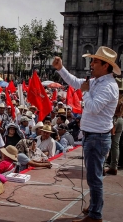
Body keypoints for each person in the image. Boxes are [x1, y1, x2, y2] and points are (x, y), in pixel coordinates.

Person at [52, 46, 120, 222]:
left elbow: (94, 107)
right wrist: (61, 69)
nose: (91, 64)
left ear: (106, 66)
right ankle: (94, 206)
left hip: (97, 137)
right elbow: (75, 82)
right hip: (93, 136)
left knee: (94, 178)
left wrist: (85, 92)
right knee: (93, 177)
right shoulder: (98, 81)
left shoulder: (108, 86)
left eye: (95, 61)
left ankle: (95, 216)